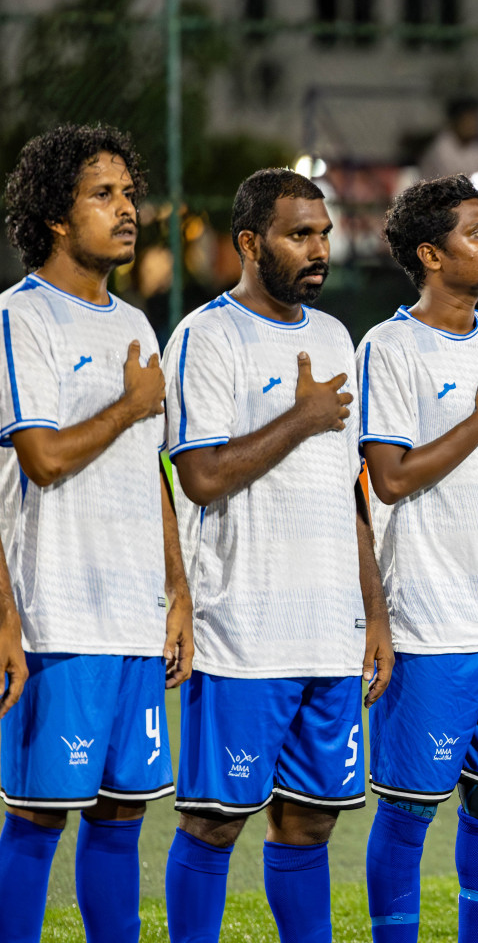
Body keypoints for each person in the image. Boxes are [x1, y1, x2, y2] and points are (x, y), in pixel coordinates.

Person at [162, 168, 394, 943]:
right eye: (301, 235)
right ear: (250, 243)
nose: (320, 249)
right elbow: (197, 477)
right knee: (214, 825)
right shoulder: (206, 335)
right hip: (243, 633)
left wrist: (374, 614)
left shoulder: (334, 337)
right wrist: (298, 418)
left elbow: (350, 490)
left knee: (310, 825)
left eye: (324, 234)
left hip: (327, 632)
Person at [0, 124, 191, 943]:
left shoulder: (136, 327)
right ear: (53, 214)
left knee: (120, 815)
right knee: (41, 818)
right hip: (57, 619)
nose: (127, 210)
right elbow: (40, 459)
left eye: (127, 192)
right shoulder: (20, 317)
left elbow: (151, 471)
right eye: (102, 195)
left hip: (133, 618)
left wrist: (178, 592)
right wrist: (127, 406)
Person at [357, 174, 478, 942]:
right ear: (430, 253)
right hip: (429, 624)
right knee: (407, 813)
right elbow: (388, 479)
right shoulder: (389, 347)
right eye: (477, 231)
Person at [418, 97, 478, 182]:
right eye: (468, 120)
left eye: (474, 120)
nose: (472, 125)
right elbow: (452, 179)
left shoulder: (477, 147)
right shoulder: (441, 148)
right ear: (456, 121)